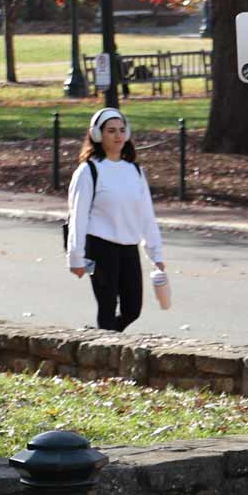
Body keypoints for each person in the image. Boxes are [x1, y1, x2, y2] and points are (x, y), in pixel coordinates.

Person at [65, 107, 166, 332]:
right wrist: (76, 258)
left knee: (132, 309)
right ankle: (106, 354)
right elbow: (78, 217)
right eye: (111, 131)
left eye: (122, 130)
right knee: (107, 306)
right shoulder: (88, 171)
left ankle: (102, 339)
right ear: (98, 135)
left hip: (128, 246)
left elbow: (146, 215)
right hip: (99, 247)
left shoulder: (135, 171)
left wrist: (155, 253)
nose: (118, 135)